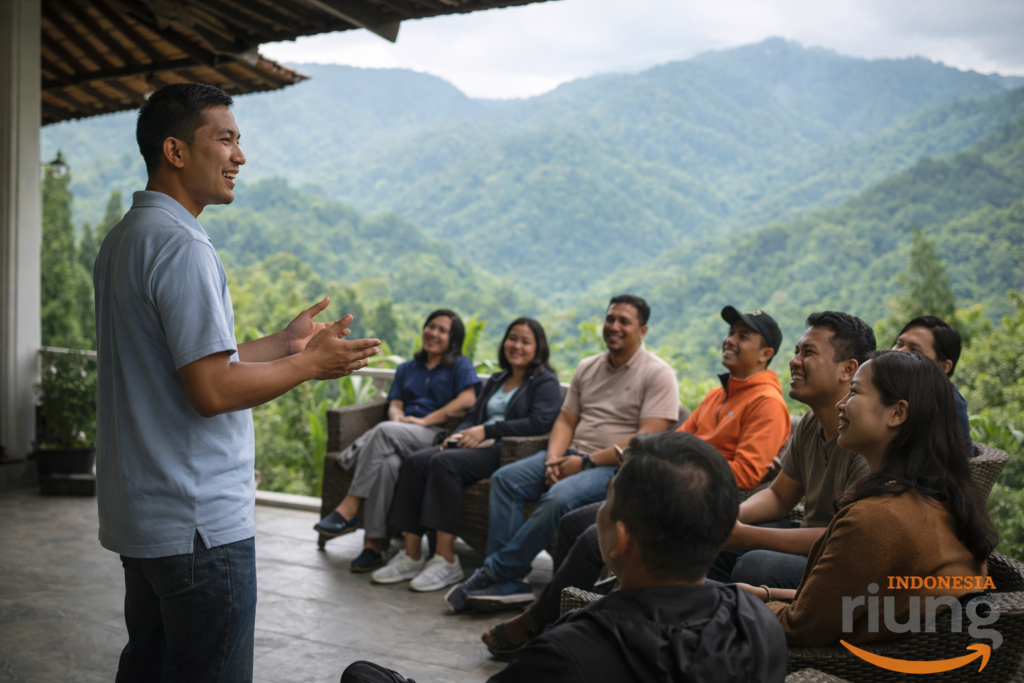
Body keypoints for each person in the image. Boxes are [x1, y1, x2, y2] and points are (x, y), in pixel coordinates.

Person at [94, 83, 381, 683]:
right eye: (224, 139)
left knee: (146, 669)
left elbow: (191, 365)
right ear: (175, 151)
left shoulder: (126, 238)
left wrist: (284, 345)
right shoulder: (183, 246)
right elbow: (212, 392)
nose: (239, 156)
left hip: (145, 516)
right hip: (198, 525)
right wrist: (310, 366)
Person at [482, 304, 793, 654]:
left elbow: (747, 474)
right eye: (730, 333)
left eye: (743, 336)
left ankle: (539, 624)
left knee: (591, 536)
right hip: (665, 490)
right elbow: (671, 442)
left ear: (766, 354)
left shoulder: (766, 402)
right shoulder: (719, 394)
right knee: (572, 523)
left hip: (693, 502)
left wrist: (681, 470)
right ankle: (562, 621)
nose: (730, 340)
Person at [738, 350, 992, 645]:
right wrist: (768, 594)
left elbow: (800, 629)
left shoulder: (874, 519)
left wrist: (746, 603)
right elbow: (850, 602)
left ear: (897, 413)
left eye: (854, 392)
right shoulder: (943, 501)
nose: (841, 404)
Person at [488, 432, 787, 682]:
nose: (600, 512)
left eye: (607, 500)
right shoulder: (758, 623)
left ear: (621, 538)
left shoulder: (560, 657)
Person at [446, 295, 681, 614]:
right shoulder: (588, 366)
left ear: (642, 330)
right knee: (506, 479)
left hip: (616, 469)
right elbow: (566, 419)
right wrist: (553, 459)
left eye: (624, 321)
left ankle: (496, 572)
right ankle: (510, 583)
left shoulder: (658, 373)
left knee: (557, 497)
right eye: (610, 318)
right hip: (569, 454)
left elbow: (646, 438)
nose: (614, 326)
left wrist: (583, 462)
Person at [373, 318, 563, 591]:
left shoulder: (544, 382)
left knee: (444, 464)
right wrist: (458, 433)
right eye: (512, 338)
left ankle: (446, 559)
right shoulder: (498, 379)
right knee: (416, 462)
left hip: (506, 450)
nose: (516, 346)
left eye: (525, 341)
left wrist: (488, 433)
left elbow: (540, 422)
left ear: (538, 348)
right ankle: (412, 554)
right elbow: (473, 415)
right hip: (474, 443)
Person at [710, 311, 874, 589]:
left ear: (848, 370)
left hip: (846, 559)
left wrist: (746, 535)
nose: (793, 361)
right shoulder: (812, 422)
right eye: (797, 351)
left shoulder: (866, 439)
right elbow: (778, 496)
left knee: (755, 565)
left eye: (808, 353)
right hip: (808, 536)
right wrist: (728, 519)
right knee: (710, 543)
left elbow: (848, 540)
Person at [314, 310, 480, 572]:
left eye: (442, 330)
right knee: (387, 464)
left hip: (433, 434)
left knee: (384, 432)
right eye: (431, 326)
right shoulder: (407, 369)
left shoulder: (459, 365)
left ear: (453, 339)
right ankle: (373, 546)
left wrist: (424, 421)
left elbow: (468, 399)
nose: (433, 333)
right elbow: (395, 405)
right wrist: (398, 419)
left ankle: (349, 507)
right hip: (400, 433)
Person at [892, 315, 973, 451]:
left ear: (943, 367)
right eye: (899, 344)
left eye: (914, 350)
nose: (899, 352)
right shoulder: (894, 388)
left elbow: (960, 463)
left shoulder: (949, 405)